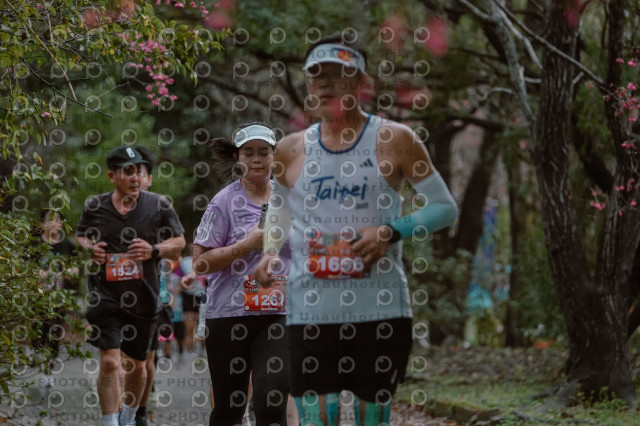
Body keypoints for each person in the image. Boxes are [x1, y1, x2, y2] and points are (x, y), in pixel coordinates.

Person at [254, 34, 459, 426]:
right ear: (309, 84)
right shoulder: (290, 149)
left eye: (340, 75)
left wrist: (389, 231)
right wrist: (269, 252)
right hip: (310, 313)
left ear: (363, 83)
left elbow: (444, 208)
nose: (327, 84)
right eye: (318, 76)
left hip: (379, 312)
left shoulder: (395, 139)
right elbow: (279, 209)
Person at [76, 145, 186, 426]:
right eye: (127, 171)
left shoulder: (158, 205)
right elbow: (81, 237)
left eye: (137, 170)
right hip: (105, 296)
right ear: (112, 176)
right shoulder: (95, 206)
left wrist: (154, 250)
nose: (134, 177)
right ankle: (110, 422)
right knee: (110, 362)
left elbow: (179, 243)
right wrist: (90, 249)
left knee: (137, 366)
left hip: (144, 297)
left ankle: (128, 418)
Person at [192, 124, 291, 426]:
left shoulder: (292, 199)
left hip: (280, 314)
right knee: (229, 409)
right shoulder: (223, 202)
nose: (257, 159)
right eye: (249, 153)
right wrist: (246, 246)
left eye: (264, 152)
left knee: (271, 400)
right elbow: (200, 263)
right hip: (229, 316)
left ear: (275, 156)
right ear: (238, 158)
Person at [33, 209, 78, 387]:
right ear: (41, 224)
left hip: (60, 297)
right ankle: (37, 356)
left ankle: (48, 370)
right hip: (37, 297)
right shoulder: (35, 244)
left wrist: (67, 272)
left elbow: (76, 268)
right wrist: (41, 274)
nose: (54, 223)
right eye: (50, 219)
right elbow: (25, 268)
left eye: (57, 219)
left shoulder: (67, 244)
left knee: (55, 332)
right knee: (39, 330)